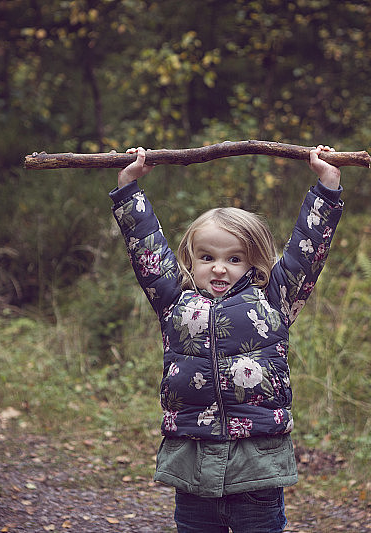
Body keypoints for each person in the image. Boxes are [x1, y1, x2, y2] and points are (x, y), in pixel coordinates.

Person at [110, 145, 343, 532]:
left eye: (234, 259)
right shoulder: (174, 301)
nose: (219, 268)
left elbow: (307, 252)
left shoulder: (273, 301)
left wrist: (327, 185)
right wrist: (128, 187)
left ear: (253, 261)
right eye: (207, 258)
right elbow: (145, 248)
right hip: (193, 462)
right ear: (191, 259)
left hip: (258, 466)